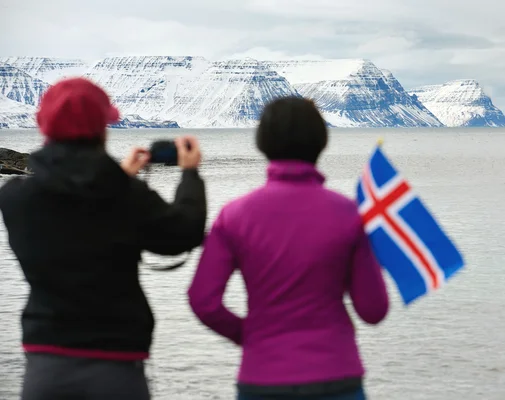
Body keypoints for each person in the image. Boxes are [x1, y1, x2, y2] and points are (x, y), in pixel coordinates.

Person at [0, 77, 207, 400]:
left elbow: (74, 212)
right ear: (102, 128)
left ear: (44, 126)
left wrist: (117, 179)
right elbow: (183, 233)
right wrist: (190, 175)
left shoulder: (14, 198)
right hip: (117, 363)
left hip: (45, 363)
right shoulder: (126, 197)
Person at [188, 96, 389, 400]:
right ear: (321, 142)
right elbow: (373, 310)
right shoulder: (348, 213)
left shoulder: (234, 216)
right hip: (336, 375)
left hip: (263, 377)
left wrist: (249, 335)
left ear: (262, 142)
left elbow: (204, 301)